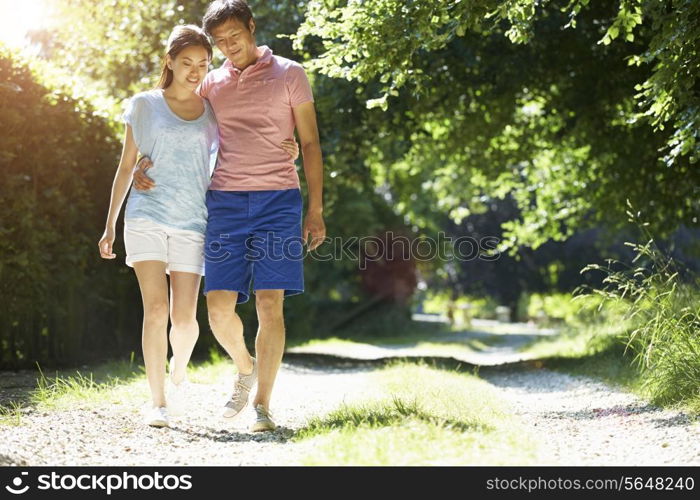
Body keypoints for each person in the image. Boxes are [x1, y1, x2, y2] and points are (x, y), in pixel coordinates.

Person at [133, 0, 326, 432]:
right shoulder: (211, 83)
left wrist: (315, 208)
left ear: (252, 27)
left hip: (279, 200)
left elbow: (310, 143)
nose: (228, 47)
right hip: (223, 202)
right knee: (218, 309)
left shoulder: (290, 73)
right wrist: (142, 162)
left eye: (234, 37)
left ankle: (262, 405)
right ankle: (245, 366)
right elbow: (174, 121)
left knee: (269, 303)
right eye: (219, 42)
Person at [98, 24, 298, 428]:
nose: (194, 71)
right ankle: (157, 401)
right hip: (146, 214)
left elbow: (247, 138)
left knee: (186, 320)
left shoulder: (212, 108)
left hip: (194, 219)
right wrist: (110, 225)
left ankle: (203, 373)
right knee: (155, 310)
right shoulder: (142, 105)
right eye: (186, 62)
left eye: (203, 64)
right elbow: (125, 166)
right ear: (169, 61)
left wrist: (286, 147)